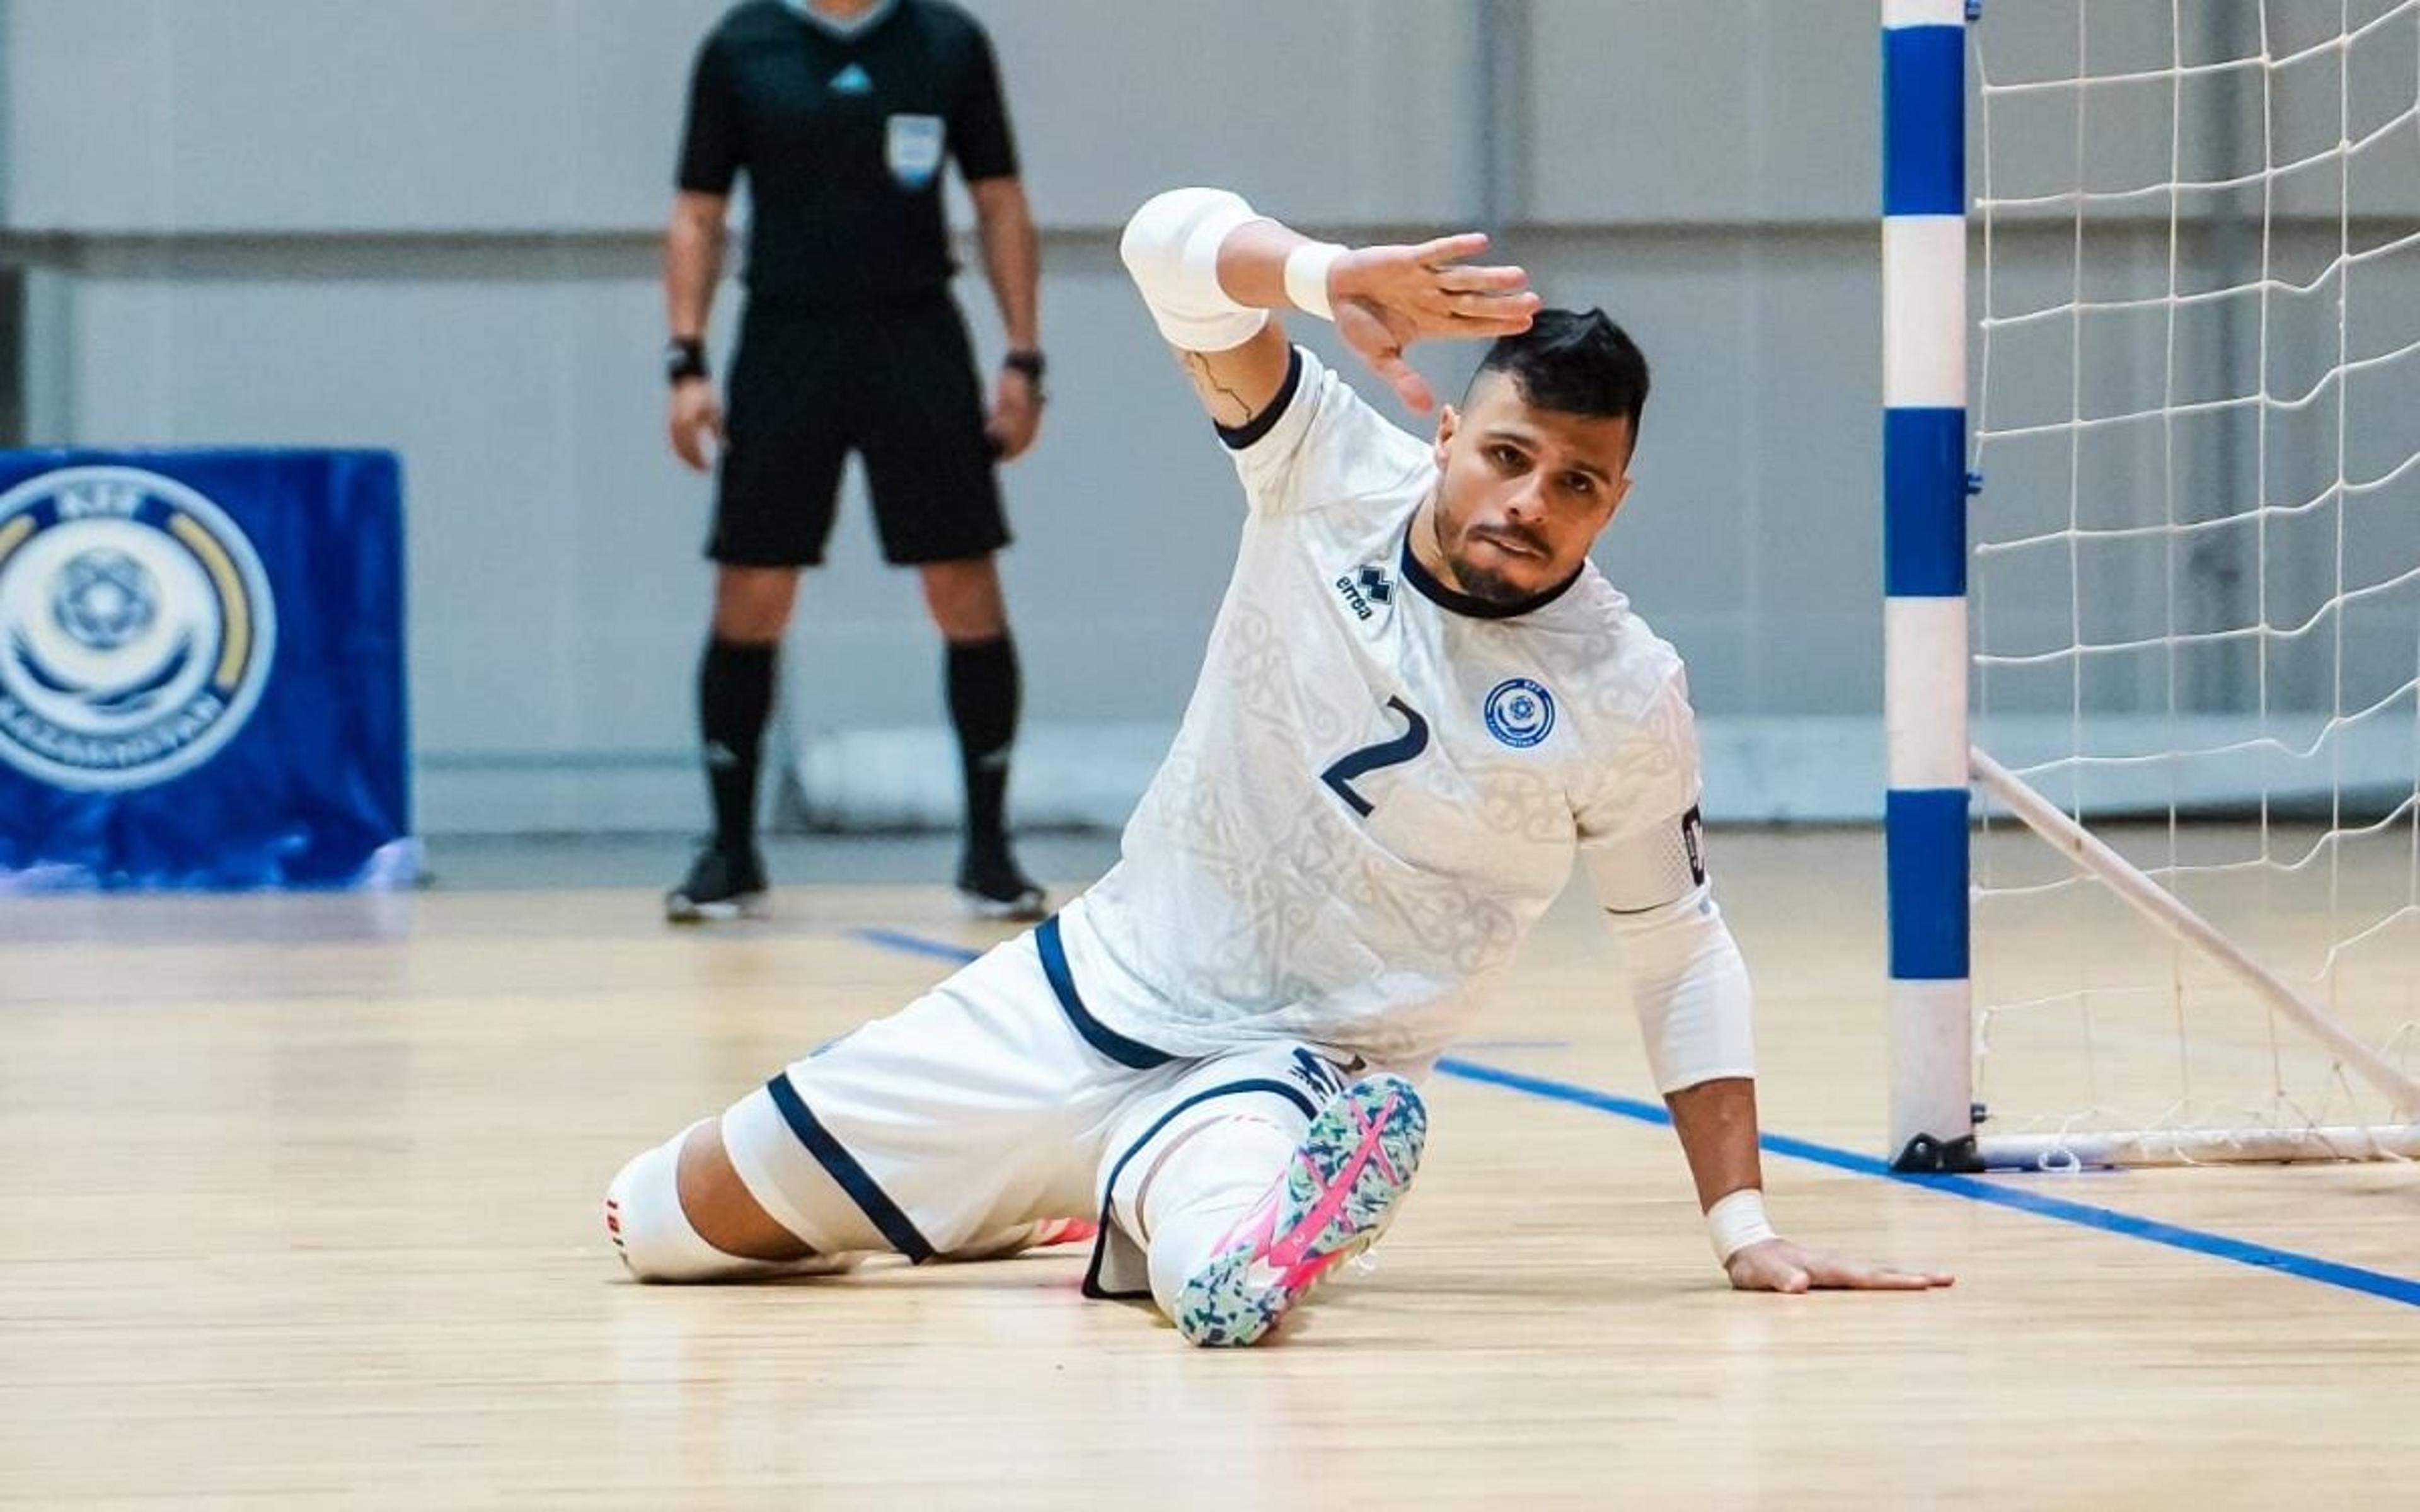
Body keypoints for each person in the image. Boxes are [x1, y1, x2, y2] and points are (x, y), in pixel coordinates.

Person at [604, 185, 1954, 1346]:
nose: (1530, 504)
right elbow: (1160, 242)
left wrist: (1743, 1226)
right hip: (1089, 989)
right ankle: (1055, 1200)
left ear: (1618, 501)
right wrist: (1324, 277)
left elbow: (1681, 950)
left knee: (1224, 1289)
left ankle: (1208, 1202)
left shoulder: (1624, 686)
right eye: (1507, 457)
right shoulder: (1325, 467)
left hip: (1295, 1066)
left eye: (1578, 484)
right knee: (662, 1220)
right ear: (1446, 439)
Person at [662, 0, 1049, 924]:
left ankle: (990, 850)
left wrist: (1023, 355)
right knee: (753, 587)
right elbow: (697, 213)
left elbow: (999, 201)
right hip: (784, 339)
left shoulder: (947, 42)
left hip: (916, 336)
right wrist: (686, 359)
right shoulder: (742, 46)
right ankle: (730, 847)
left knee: (962, 582)